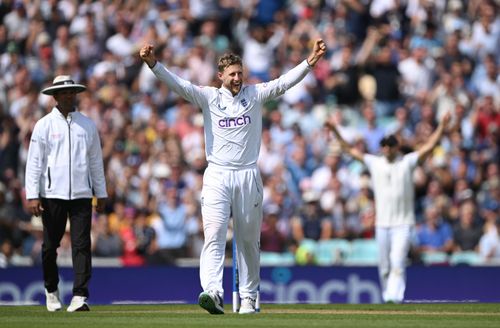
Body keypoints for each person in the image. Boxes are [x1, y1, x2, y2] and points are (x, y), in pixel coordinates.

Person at [140, 39, 326, 314]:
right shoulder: (209, 97)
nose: (238, 78)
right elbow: (179, 85)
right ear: (220, 77)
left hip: (248, 174)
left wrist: (310, 62)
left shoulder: (255, 94)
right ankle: (213, 292)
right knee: (213, 233)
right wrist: (153, 64)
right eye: (232, 75)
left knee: (248, 239)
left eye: (240, 73)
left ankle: (249, 297)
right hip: (217, 174)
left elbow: (284, 82)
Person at [327, 111, 451, 303]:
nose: (386, 148)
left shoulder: (407, 162)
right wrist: (335, 129)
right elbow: (349, 150)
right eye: (383, 145)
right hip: (382, 224)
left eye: (389, 145)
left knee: (398, 262)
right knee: (384, 266)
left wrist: (442, 126)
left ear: (396, 147)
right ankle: (388, 298)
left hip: (403, 223)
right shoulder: (375, 162)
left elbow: (429, 146)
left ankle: (396, 298)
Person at [25, 75, 107, 312]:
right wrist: (33, 194)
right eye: (65, 93)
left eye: (72, 92)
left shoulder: (87, 125)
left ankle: (80, 296)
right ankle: (51, 291)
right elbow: (34, 163)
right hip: (52, 194)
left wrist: (100, 192)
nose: (70, 96)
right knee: (50, 247)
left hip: (82, 194)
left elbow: (95, 162)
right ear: (56, 97)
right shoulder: (43, 125)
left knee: (82, 245)